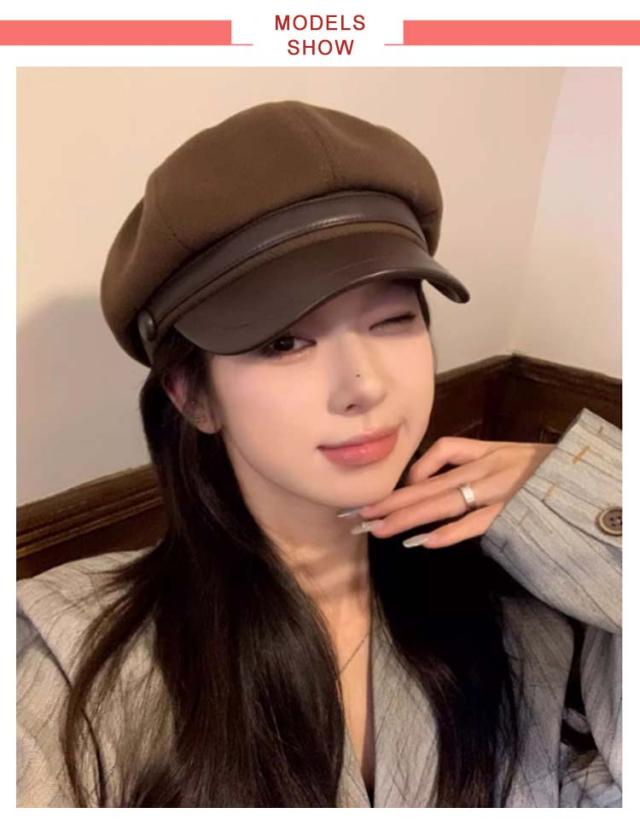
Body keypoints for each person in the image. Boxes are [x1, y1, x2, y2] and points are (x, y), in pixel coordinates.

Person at [17, 100, 622, 807]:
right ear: (192, 395)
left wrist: (596, 496)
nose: (364, 384)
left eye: (392, 320)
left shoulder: (522, 609)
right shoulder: (77, 658)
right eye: (285, 341)